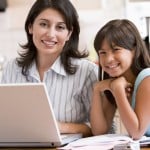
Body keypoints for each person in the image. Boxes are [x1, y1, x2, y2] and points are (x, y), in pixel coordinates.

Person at [1, 0, 98, 137]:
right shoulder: (12, 68)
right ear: (30, 27)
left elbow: (103, 130)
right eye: (43, 24)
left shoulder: (87, 72)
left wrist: (59, 127)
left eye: (60, 27)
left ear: (69, 34)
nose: (51, 34)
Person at [90, 19, 150, 140]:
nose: (108, 59)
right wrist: (96, 90)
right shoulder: (114, 81)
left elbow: (137, 132)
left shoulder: (146, 77)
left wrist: (117, 90)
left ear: (134, 50)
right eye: (103, 52)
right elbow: (99, 131)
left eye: (116, 49)